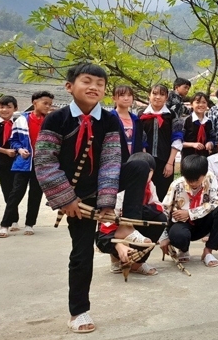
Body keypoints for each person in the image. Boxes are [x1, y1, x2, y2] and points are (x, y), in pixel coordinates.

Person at [34, 63, 151, 333]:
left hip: (103, 187)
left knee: (140, 164)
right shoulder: (56, 119)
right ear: (69, 86)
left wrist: (108, 205)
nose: (94, 87)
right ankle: (79, 312)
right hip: (75, 196)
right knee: (82, 253)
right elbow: (45, 162)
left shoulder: (109, 120)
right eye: (87, 81)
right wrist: (66, 198)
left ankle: (126, 226)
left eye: (100, 83)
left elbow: (112, 162)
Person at [96, 152, 166, 276]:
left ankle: (138, 262)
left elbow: (159, 206)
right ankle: (116, 257)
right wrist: (117, 243)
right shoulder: (119, 189)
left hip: (134, 224)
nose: (144, 175)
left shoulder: (150, 185)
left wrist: (139, 211)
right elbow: (107, 222)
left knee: (160, 218)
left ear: (153, 172)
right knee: (105, 235)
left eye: (148, 171)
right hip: (113, 227)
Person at [159, 154, 218, 267]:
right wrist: (163, 237)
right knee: (178, 235)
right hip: (181, 224)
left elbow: (216, 202)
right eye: (189, 180)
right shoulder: (176, 185)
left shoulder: (210, 178)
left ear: (204, 174)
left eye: (196, 180)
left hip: (203, 223)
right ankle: (183, 249)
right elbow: (164, 210)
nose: (193, 183)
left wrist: (190, 213)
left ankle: (208, 251)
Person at [0, 91, 53, 238]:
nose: (48, 107)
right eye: (45, 103)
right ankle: (5, 225)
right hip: (23, 163)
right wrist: (20, 149)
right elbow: (13, 140)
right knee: (15, 194)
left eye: (50, 104)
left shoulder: (51, 121)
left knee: (36, 194)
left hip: (41, 164)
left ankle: (30, 224)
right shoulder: (21, 120)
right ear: (35, 103)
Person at [140, 84, 184, 200]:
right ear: (149, 95)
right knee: (143, 193)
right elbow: (141, 139)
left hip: (165, 161)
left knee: (164, 195)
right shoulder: (141, 115)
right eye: (154, 93)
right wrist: (145, 162)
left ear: (167, 97)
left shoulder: (172, 115)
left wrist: (170, 163)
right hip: (145, 161)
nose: (158, 97)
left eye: (162, 94)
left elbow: (177, 139)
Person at [0, 95, 18, 229]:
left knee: (9, 192)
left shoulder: (17, 124)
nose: (4, 110)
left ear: (15, 108)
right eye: (1, 107)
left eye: (8, 107)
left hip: (9, 163)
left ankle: (13, 219)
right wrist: (5, 151)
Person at [111, 85, 145, 163]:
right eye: (122, 95)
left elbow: (142, 142)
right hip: (114, 162)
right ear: (114, 98)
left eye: (129, 95)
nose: (126, 98)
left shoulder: (136, 120)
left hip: (135, 162)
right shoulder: (110, 118)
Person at [182, 92, 213, 158]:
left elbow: (212, 138)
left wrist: (210, 143)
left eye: (204, 102)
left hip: (204, 158)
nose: (201, 105)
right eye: (198, 102)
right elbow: (178, 142)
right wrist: (192, 144)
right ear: (191, 104)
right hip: (188, 158)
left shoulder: (209, 122)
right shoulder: (186, 121)